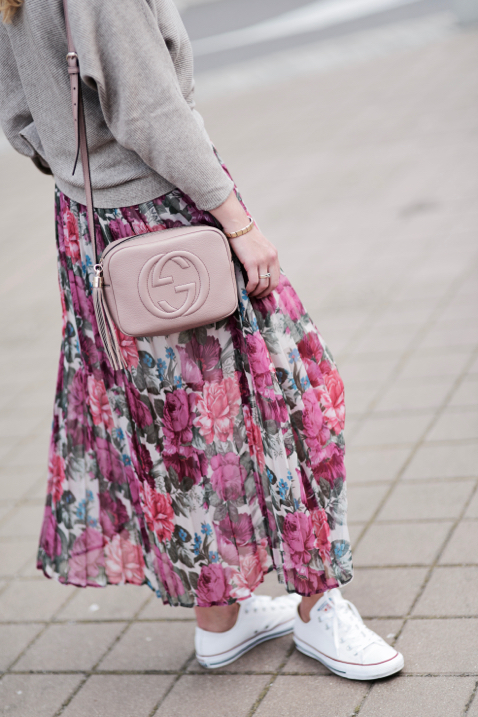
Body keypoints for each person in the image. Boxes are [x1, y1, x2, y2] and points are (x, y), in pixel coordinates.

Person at [0, 0, 404, 680]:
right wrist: (238, 223)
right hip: (166, 219)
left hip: (92, 230)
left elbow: (18, 114)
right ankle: (317, 603)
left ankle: (221, 615)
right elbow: (150, 111)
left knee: (173, 429)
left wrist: (80, 167)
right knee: (287, 396)